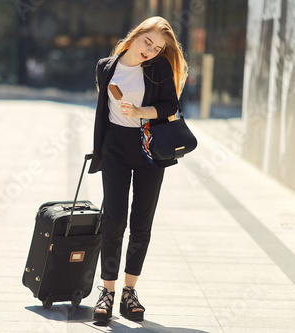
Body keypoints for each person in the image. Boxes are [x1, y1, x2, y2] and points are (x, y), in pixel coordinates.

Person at [89, 16, 188, 323]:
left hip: (148, 147)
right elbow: (104, 112)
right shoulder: (106, 66)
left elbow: (170, 106)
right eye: (148, 42)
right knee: (114, 218)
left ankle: (130, 292)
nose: (151, 50)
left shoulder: (157, 68)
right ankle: (107, 291)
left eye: (158, 47)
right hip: (115, 147)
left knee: (141, 221)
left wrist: (141, 112)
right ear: (136, 35)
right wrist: (99, 151)